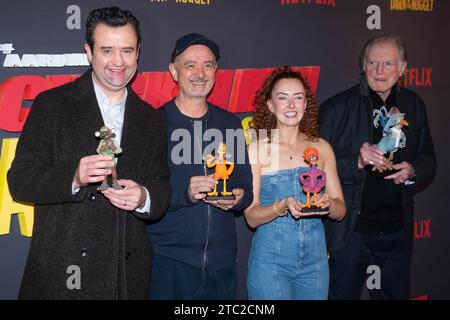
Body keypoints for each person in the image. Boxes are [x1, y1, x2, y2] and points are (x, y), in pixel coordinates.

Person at [7, 7, 170, 299]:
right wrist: (74, 176)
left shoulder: (152, 118)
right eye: (107, 50)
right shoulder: (52, 105)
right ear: (89, 52)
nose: (118, 62)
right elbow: (20, 180)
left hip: (126, 276)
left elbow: (161, 190)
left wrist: (144, 197)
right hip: (63, 273)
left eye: (127, 50)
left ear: (138, 53)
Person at [319, 35, 436, 300]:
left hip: (397, 233)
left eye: (387, 64)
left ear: (403, 68)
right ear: (363, 65)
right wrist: (357, 162)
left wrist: (413, 170)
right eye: (373, 63)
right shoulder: (336, 108)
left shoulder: (414, 105)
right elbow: (315, 168)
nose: (379, 71)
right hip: (350, 233)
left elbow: (429, 159)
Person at [147, 33, 253, 300]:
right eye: (190, 65)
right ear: (174, 71)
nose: (200, 73)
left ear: (215, 71)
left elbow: (245, 184)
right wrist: (185, 192)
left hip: (221, 264)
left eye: (208, 65)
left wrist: (239, 198)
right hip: (168, 262)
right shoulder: (153, 124)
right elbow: (145, 195)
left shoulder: (229, 124)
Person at [244, 67, 346, 300]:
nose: (291, 105)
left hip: (315, 262)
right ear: (270, 106)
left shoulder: (322, 148)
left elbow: (341, 210)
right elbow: (250, 216)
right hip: (270, 263)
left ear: (305, 104)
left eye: (298, 98)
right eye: (283, 98)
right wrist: (282, 206)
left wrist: (328, 203)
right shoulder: (257, 150)